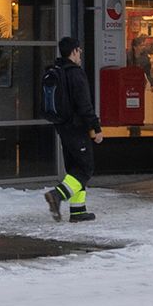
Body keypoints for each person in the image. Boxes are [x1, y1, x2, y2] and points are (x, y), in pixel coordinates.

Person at [40, 35, 101, 222]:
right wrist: (96, 127)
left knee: (74, 169)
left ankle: (78, 211)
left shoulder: (56, 71)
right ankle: (56, 195)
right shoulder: (75, 73)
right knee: (85, 169)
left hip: (63, 127)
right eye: (79, 50)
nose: (80, 53)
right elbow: (84, 104)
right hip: (77, 128)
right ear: (74, 51)